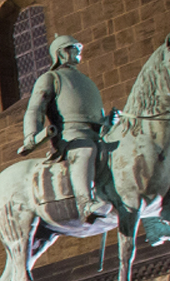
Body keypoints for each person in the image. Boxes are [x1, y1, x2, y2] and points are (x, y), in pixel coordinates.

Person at [16, 35, 108, 222]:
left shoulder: (86, 81)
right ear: (61, 53)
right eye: (72, 48)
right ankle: (85, 204)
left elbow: (96, 113)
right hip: (71, 136)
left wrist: (109, 122)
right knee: (85, 151)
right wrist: (31, 135)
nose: (78, 51)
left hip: (96, 134)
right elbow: (35, 108)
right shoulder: (51, 78)